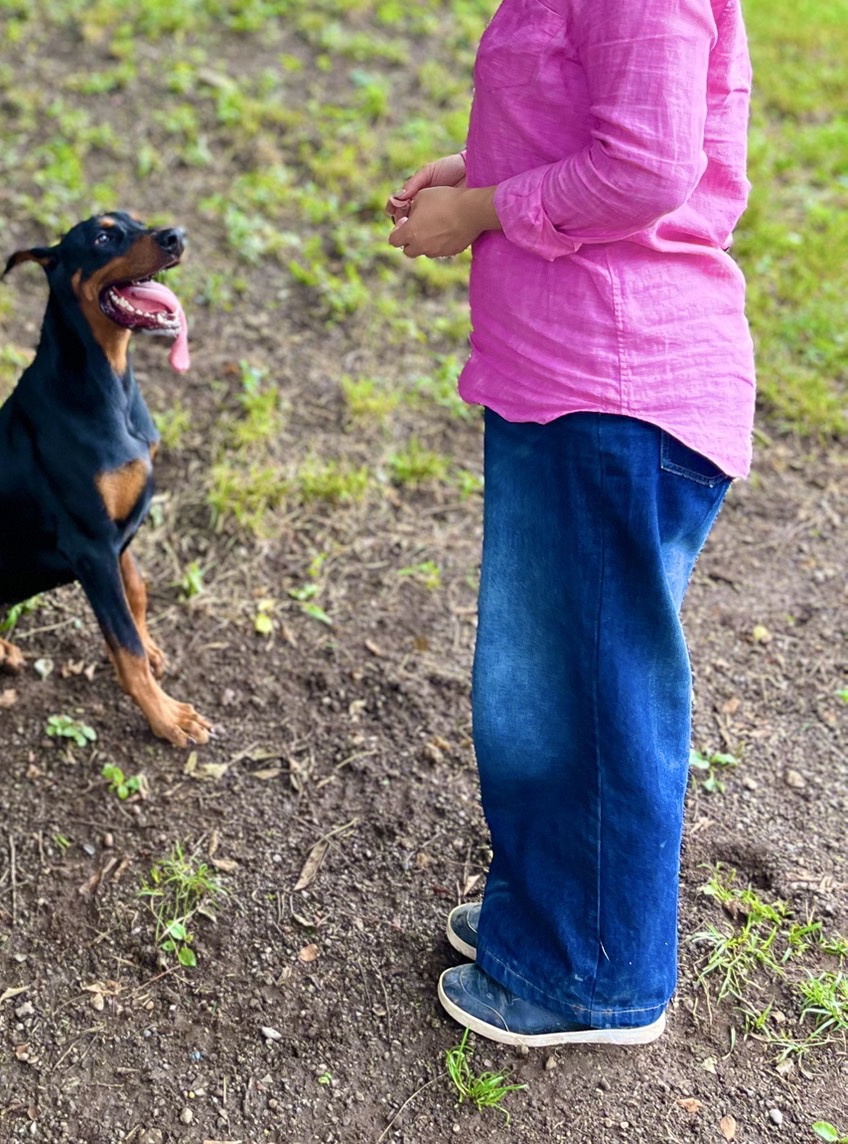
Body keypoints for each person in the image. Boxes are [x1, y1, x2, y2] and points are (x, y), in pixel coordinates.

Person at [386, 0, 754, 1046]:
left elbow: (646, 170)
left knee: (587, 703)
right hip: (565, 379)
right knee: (541, 690)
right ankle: (549, 918)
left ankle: (590, 974)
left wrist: (486, 212)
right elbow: (590, 123)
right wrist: (478, 169)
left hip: (618, 385)